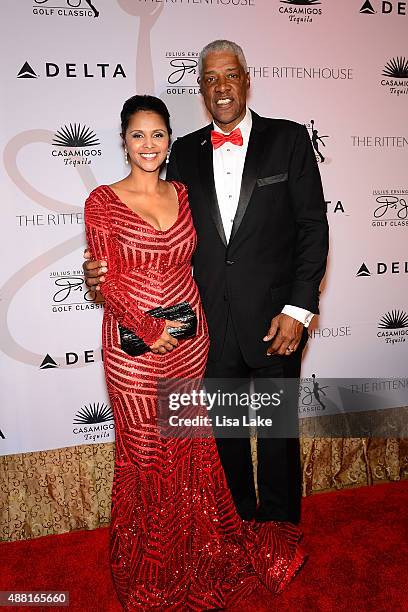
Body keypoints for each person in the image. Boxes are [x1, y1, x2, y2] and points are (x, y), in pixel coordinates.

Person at [85, 39, 329, 526]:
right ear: (201, 89)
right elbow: (162, 233)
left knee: (278, 434)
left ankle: (280, 531)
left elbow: (313, 228)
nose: (222, 87)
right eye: (211, 79)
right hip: (206, 328)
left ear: (246, 78)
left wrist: (298, 310)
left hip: (277, 319)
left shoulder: (289, 139)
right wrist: (101, 272)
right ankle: (237, 527)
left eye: (230, 75)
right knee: (226, 439)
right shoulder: (184, 155)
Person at [84, 94, 306, 610]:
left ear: (169, 141)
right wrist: (144, 325)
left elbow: (207, 260)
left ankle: (195, 553)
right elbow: (105, 276)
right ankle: (149, 565)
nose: (148, 144)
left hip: (190, 345)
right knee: (146, 454)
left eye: (158, 134)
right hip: (133, 350)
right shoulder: (102, 200)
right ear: (123, 140)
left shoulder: (183, 193)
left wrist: (187, 330)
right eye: (137, 134)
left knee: (188, 452)